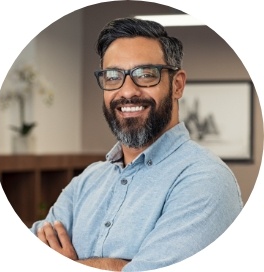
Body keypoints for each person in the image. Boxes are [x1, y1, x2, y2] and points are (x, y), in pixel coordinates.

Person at [30, 17, 243, 271]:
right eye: (112, 76)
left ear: (177, 85)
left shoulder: (207, 179)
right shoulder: (86, 182)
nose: (127, 91)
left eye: (145, 75)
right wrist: (119, 265)